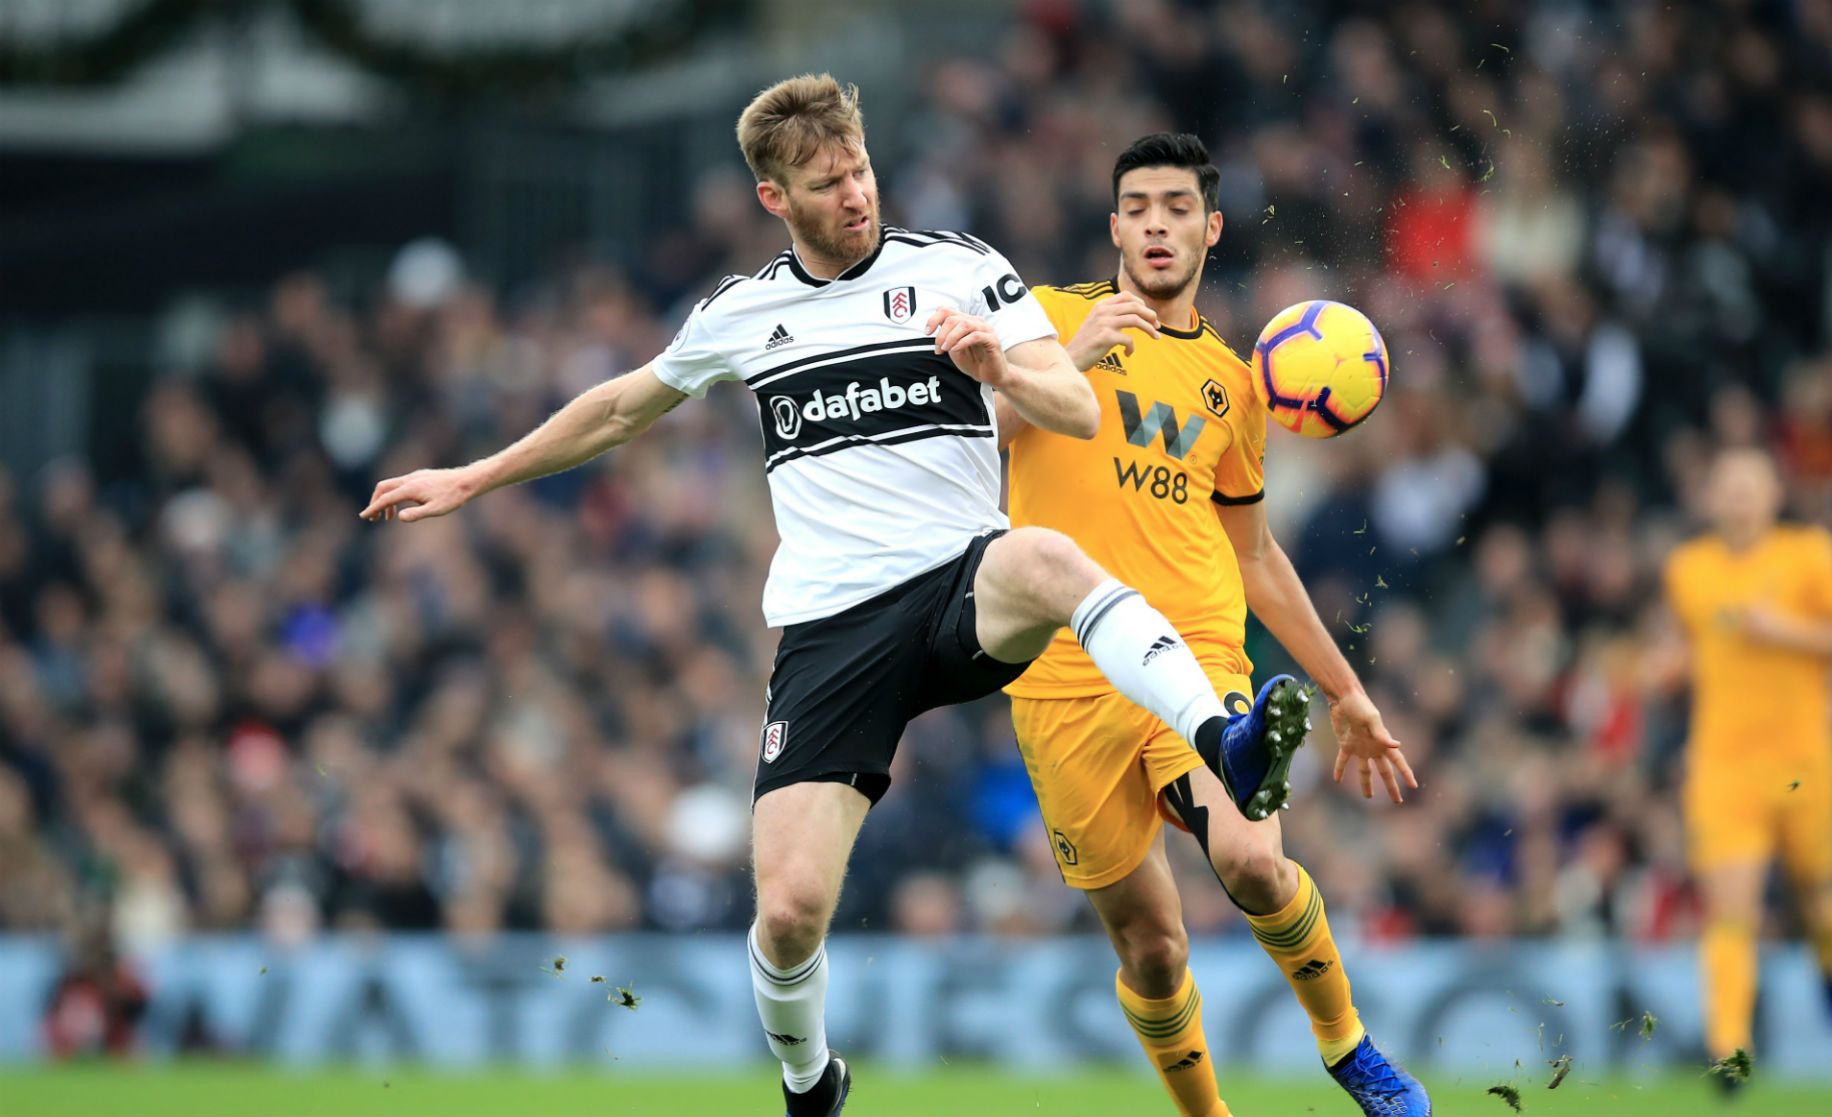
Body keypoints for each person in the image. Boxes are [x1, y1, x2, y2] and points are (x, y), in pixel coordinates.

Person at [360, 78, 1306, 1117]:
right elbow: (623, 406)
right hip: (833, 630)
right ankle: (812, 1081)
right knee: (790, 912)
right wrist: (474, 476)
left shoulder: (960, 266)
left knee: (1045, 556)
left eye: (859, 170)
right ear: (774, 199)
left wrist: (998, 366)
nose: (855, 194)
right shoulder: (742, 311)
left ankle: (1223, 739)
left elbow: (1077, 408)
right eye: (826, 183)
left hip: (959, 582)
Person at [999, 133, 1428, 1117]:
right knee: (1152, 948)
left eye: (1178, 207)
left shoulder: (1235, 385)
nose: (1157, 225)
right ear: (1114, 228)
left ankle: (1349, 1046)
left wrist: (1347, 690)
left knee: (1251, 859)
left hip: (1192, 650)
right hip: (1063, 675)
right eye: (1138, 208)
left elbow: (1255, 554)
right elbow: (973, 441)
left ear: (1212, 228)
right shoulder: (1046, 318)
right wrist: (1065, 362)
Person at [1661, 446, 1832, 1082]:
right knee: (1732, 911)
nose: (1738, 497)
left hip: (1803, 762)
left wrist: (1783, 629)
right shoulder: (1688, 568)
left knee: (1818, 893)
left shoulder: (1808, 554)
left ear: (1774, 495)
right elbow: (1693, 645)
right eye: (1727, 486)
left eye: (1750, 486)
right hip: (1723, 765)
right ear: (1709, 498)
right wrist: (1661, 668)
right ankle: (1728, 1048)